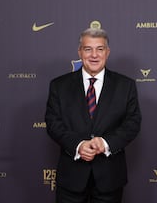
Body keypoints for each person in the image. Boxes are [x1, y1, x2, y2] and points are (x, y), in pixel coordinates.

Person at [45, 28, 141, 203]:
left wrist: (105, 143)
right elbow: (53, 123)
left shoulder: (126, 85)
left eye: (100, 49)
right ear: (80, 52)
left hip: (110, 178)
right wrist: (78, 145)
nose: (94, 55)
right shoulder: (59, 86)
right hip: (71, 179)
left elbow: (132, 123)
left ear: (108, 52)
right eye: (88, 49)